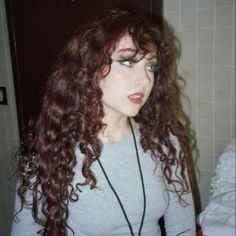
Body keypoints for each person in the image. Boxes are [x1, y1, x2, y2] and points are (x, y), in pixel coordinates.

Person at [11, 6, 196, 236]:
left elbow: (183, 226)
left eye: (150, 66)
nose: (144, 80)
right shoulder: (50, 151)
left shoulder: (164, 142)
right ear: (90, 65)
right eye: (128, 62)